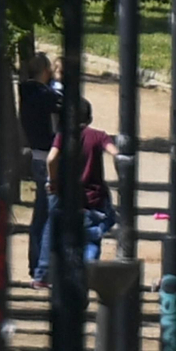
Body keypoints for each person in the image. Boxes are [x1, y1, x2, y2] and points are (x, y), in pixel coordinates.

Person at [33, 97, 119, 288]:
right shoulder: (98, 136)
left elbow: (51, 158)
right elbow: (116, 153)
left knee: (55, 229)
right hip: (94, 198)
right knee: (94, 234)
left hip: (67, 197)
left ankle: (43, 274)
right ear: (89, 117)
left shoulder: (63, 136)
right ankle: (87, 268)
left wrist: (53, 181)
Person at [18, 52, 62, 279]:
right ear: (45, 71)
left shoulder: (27, 92)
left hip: (36, 156)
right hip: (49, 157)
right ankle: (43, 267)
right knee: (49, 213)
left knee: (41, 212)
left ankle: (37, 262)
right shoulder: (45, 95)